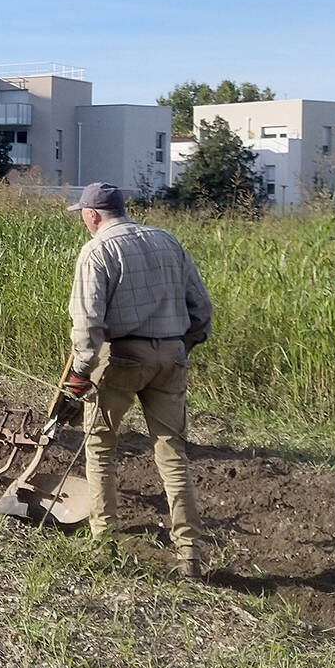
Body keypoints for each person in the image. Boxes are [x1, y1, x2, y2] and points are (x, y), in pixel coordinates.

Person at [64, 182, 212, 578]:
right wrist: (180, 347)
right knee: (172, 454)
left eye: (82, 213)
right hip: (171, 357)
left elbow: (88, 324)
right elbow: (201, 309)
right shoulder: (167, 240)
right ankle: (190, 555)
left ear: (93, 215)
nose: (82, 219)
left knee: (100, 447)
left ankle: (104, 544)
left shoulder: (97, 250)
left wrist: (79, 374)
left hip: (122, 358)